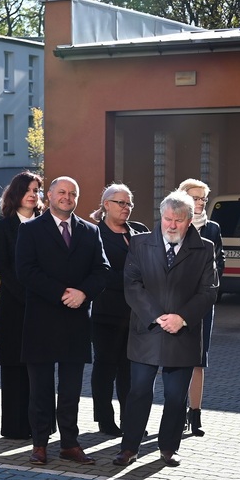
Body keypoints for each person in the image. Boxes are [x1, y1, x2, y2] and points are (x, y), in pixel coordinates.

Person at [113, 190, 217, 467]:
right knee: (138, 393)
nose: (171, 225)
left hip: (183, 333)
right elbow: (132, 285)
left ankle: (169, 448)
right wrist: (157, 316)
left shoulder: (204, 248)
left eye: (178, 220)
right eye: (167, 219)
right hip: (146, 331)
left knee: (175, 396)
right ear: (161, 217)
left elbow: (209, 291)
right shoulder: (139, 244)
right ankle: (128, 448)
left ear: (189, 219)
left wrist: (181, 318)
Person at [16, 176, 109, 465]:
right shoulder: (31, 230)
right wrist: (60, 293)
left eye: (73, 193)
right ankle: (40, 444)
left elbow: (103, 270)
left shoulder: (90, 231)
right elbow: (25, 271)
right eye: (62, 192)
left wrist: (84, 293)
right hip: (41, 321)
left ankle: (69, 443)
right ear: (50, 195)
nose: (67, 197)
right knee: (41, 389)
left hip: (76, 321)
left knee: (70, 391)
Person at [89, 184, 149, 437]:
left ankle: (131, 420)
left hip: (136, 313)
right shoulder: (94, 233)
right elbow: (98, 272)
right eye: (121, 203)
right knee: (106, 367)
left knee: (130, 369)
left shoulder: (140, 232)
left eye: (129, 203)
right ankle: (105, 420)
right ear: (106, 205)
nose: (126, 208)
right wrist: (133, 280)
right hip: (106, 312)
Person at [0, 171, 43, 440]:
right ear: (16, 193)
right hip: (13, 306)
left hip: (44, 308)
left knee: (40, 368)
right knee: (14, 367)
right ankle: (14, 427)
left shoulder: (47, 225)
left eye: (38, 190)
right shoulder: (3, 227)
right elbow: (3, 267)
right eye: (29, 190)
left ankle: (40, 426)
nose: (34, 195)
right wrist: (27, 296)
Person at [179, 178, 224, 437]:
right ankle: (176, 409)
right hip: (176, 304)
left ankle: (195, 414)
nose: (200, 203)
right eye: (195, 198)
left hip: (203, 304)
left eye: (203, 199)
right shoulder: (172, 223)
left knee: (198, 360)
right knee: (175, 360)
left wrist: (213, 292)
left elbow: (220, 261)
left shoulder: (213, 228)